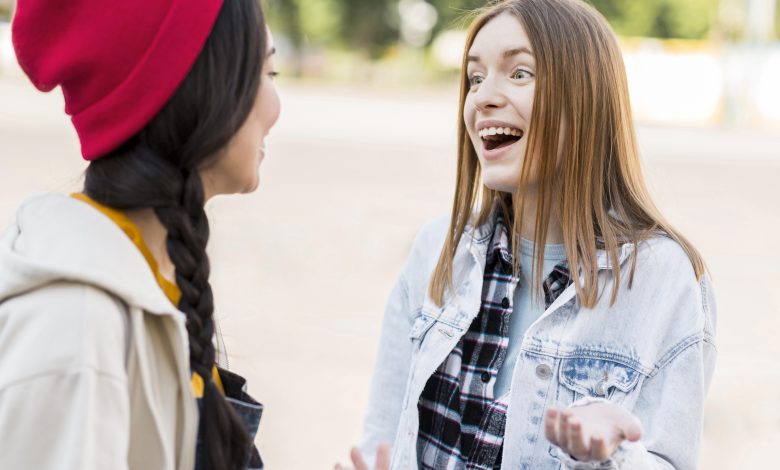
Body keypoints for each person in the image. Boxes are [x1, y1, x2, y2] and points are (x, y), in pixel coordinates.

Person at [352, 0, 716, 468]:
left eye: (519, 73)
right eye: (476, 78)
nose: (483, 97)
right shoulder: (437, 248)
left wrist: (613, 456)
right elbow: (380, 440)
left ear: (586, 97)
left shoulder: (664, 279)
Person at [0, 0, 280, 469]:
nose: (275, 108)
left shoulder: (145, 285)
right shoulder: (77, 330)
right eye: (268, 74)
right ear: (204, 87)